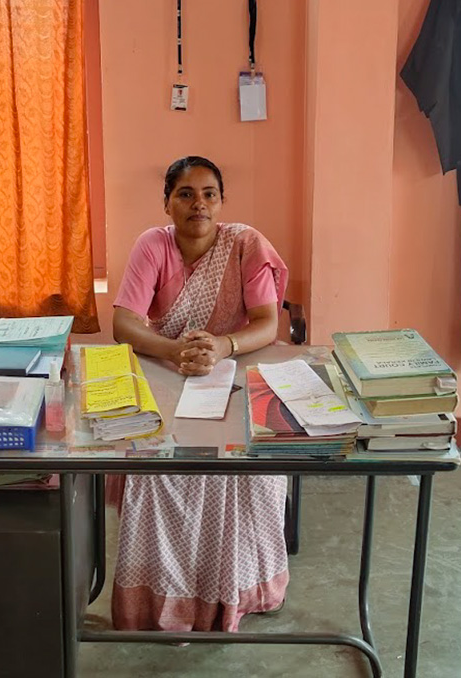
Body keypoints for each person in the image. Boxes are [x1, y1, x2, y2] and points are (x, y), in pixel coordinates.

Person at [109, 156, 290, 632]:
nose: (199, 204)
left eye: (209, 194)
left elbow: (267, 324)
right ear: (167, 203)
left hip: (236, 369)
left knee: (250, 465)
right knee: (155, 466)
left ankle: (241, 590)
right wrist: (176, 350)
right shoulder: (153, 244)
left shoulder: (245, 244)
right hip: (169, 370)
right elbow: (124, 324)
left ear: (222, 202)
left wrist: (222, 346)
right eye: (185, 194)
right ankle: (161, 598)